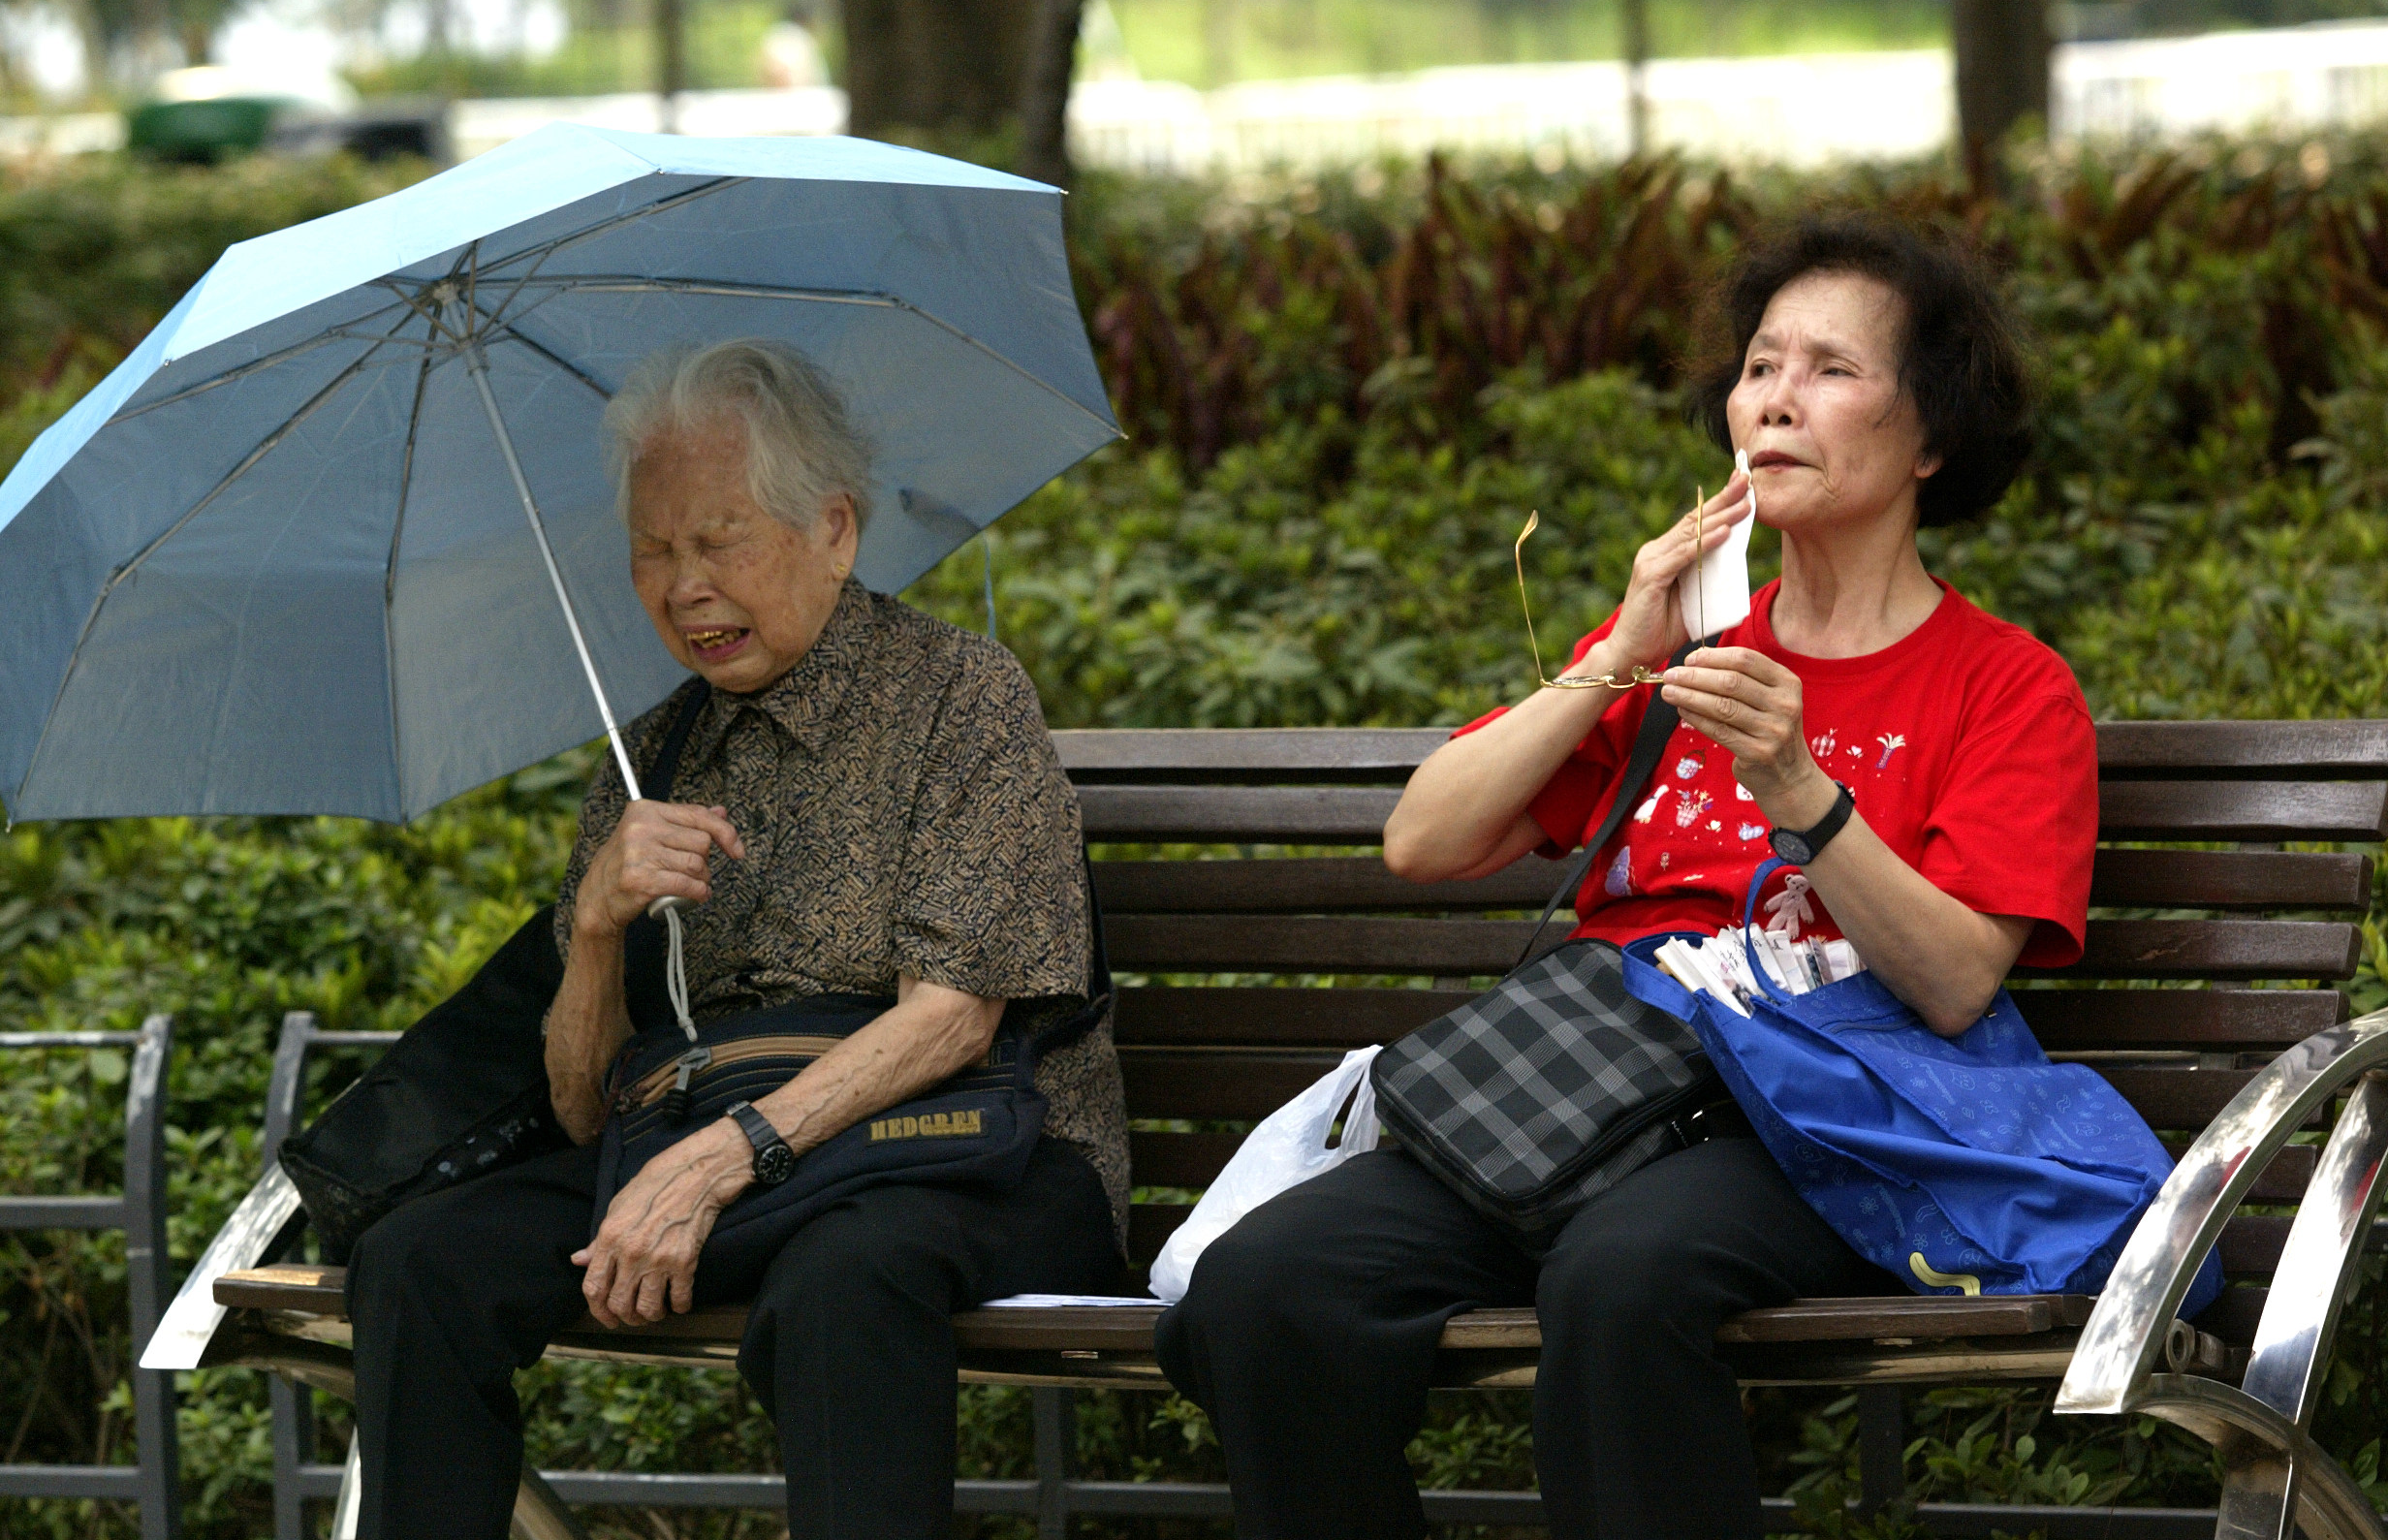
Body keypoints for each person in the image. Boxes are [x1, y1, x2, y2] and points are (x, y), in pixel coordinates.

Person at [1154, 219, 2097, 1540]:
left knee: (1622, 1277)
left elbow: (1951, 984)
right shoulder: (1675, 655)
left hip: (1809, 1111)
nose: (1774, 397)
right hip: (1588, 1090)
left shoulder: (2006, 687)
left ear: (1931, 436)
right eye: (1761, 365)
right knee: (1266, 1283)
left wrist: (1802, 794)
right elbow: (1424, 841)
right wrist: (1621, 645)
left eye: (1831, 369)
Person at [345, 339, 1128, 1540]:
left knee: (844, 1281)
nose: (683, 585)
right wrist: (598, 928)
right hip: (716, 1145)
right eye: (653, 551)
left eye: (721, 540)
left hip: (975, 1151)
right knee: (419, 1262)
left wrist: (724, 1159)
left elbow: (955, 1017)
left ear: (834, 530)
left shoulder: (957, 698)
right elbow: (578, 1112)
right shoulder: (649, 757)